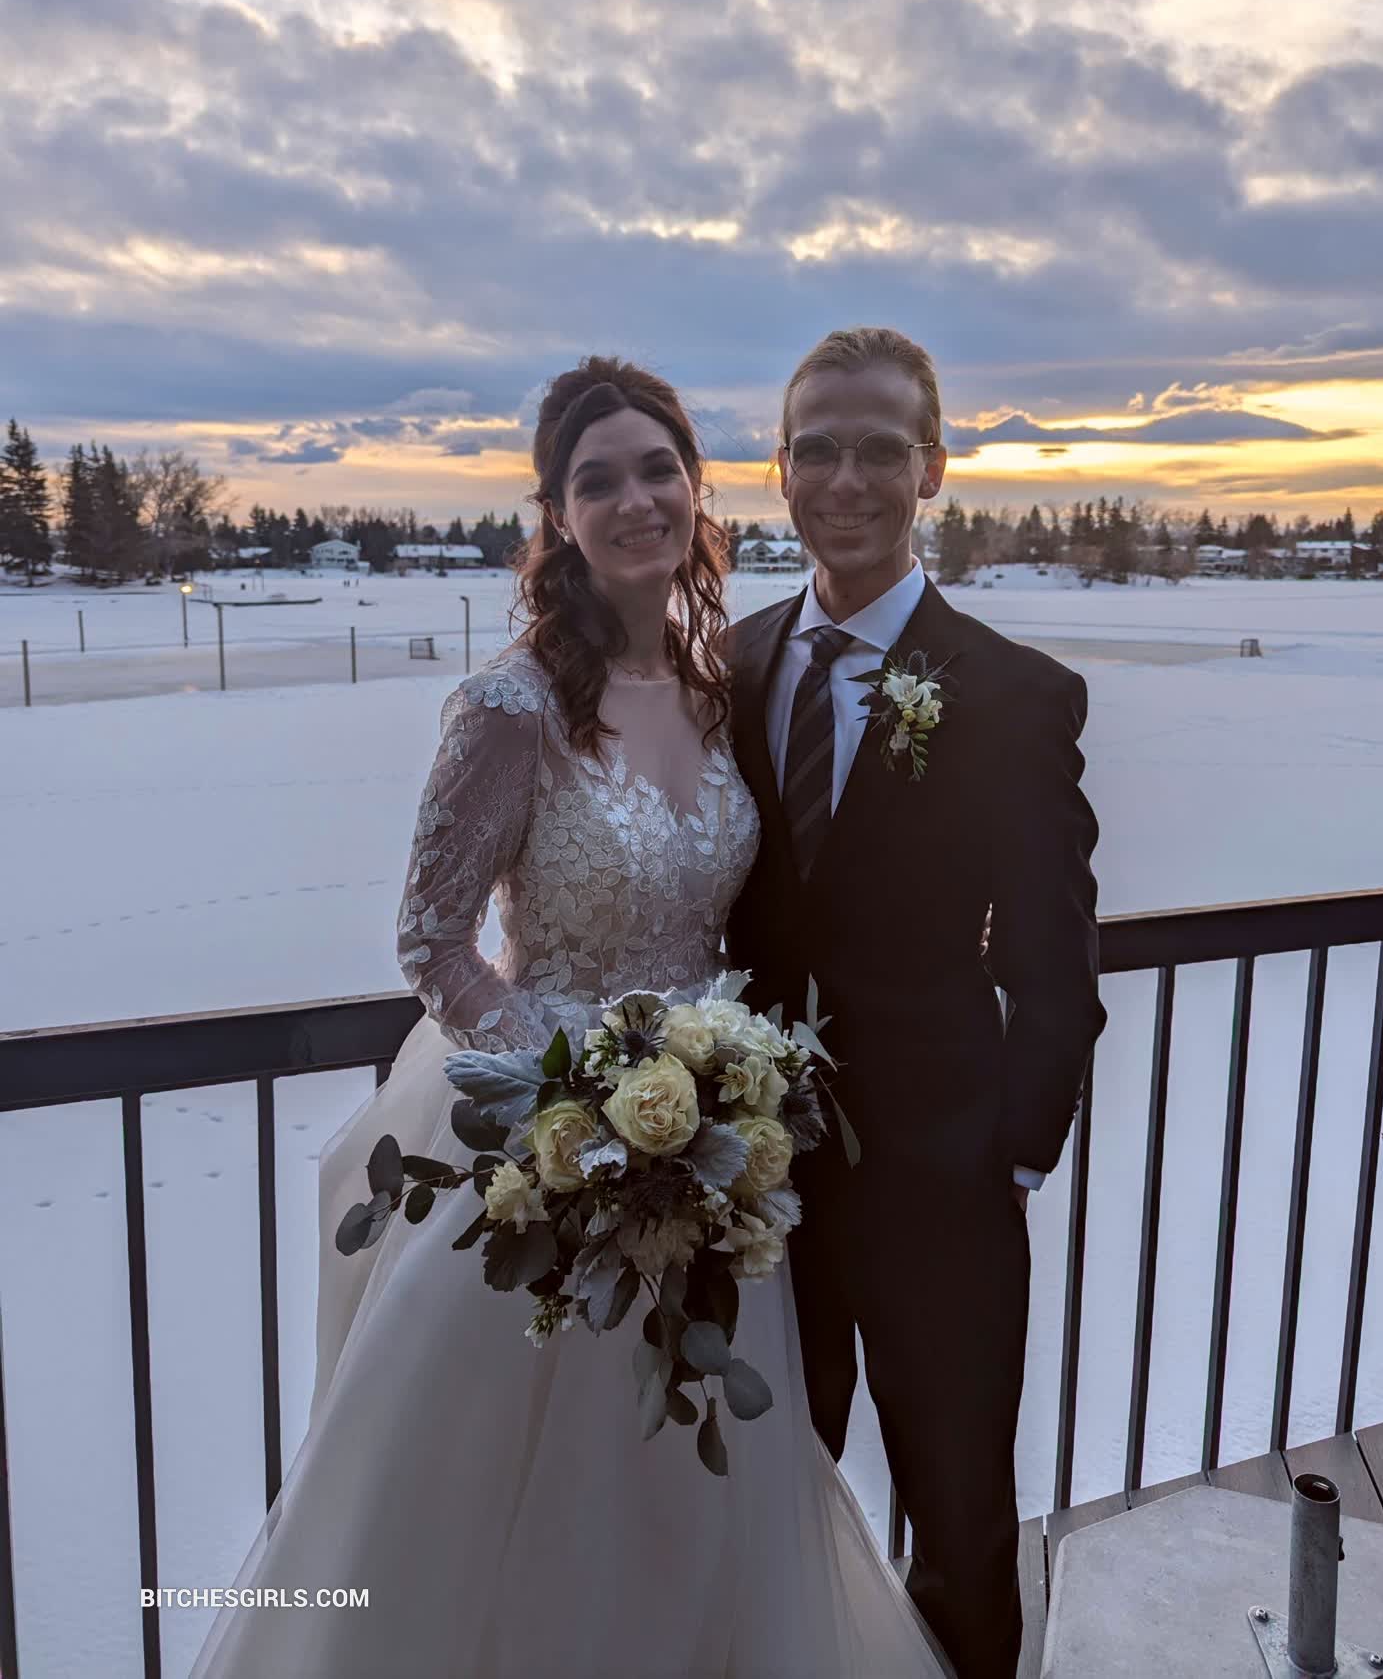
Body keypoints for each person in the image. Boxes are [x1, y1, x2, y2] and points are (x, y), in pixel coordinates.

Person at [189, 356, 949, 1679]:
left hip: (714, 1160)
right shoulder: (511, 707)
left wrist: (722, 1095)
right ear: (557, 515)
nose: (636, 500)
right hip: (545, 1163)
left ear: (698, 490)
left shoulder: (717, 688)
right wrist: (572, 1100)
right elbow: (433, 941)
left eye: (659, 469)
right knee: (515, 1523)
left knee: (691, 1497)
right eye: (599, 481)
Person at [724, 327, 1107, 1679]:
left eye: (881, 449)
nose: (848, 478)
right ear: (779, 470)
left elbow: (1055, 958)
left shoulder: (1013, 695)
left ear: (932, 469)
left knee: (960, 1529)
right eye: (818, 449)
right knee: (760, 1511)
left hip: (943, 1191)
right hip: (749, 1184)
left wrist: (1011, 1154)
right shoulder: (729, 667)